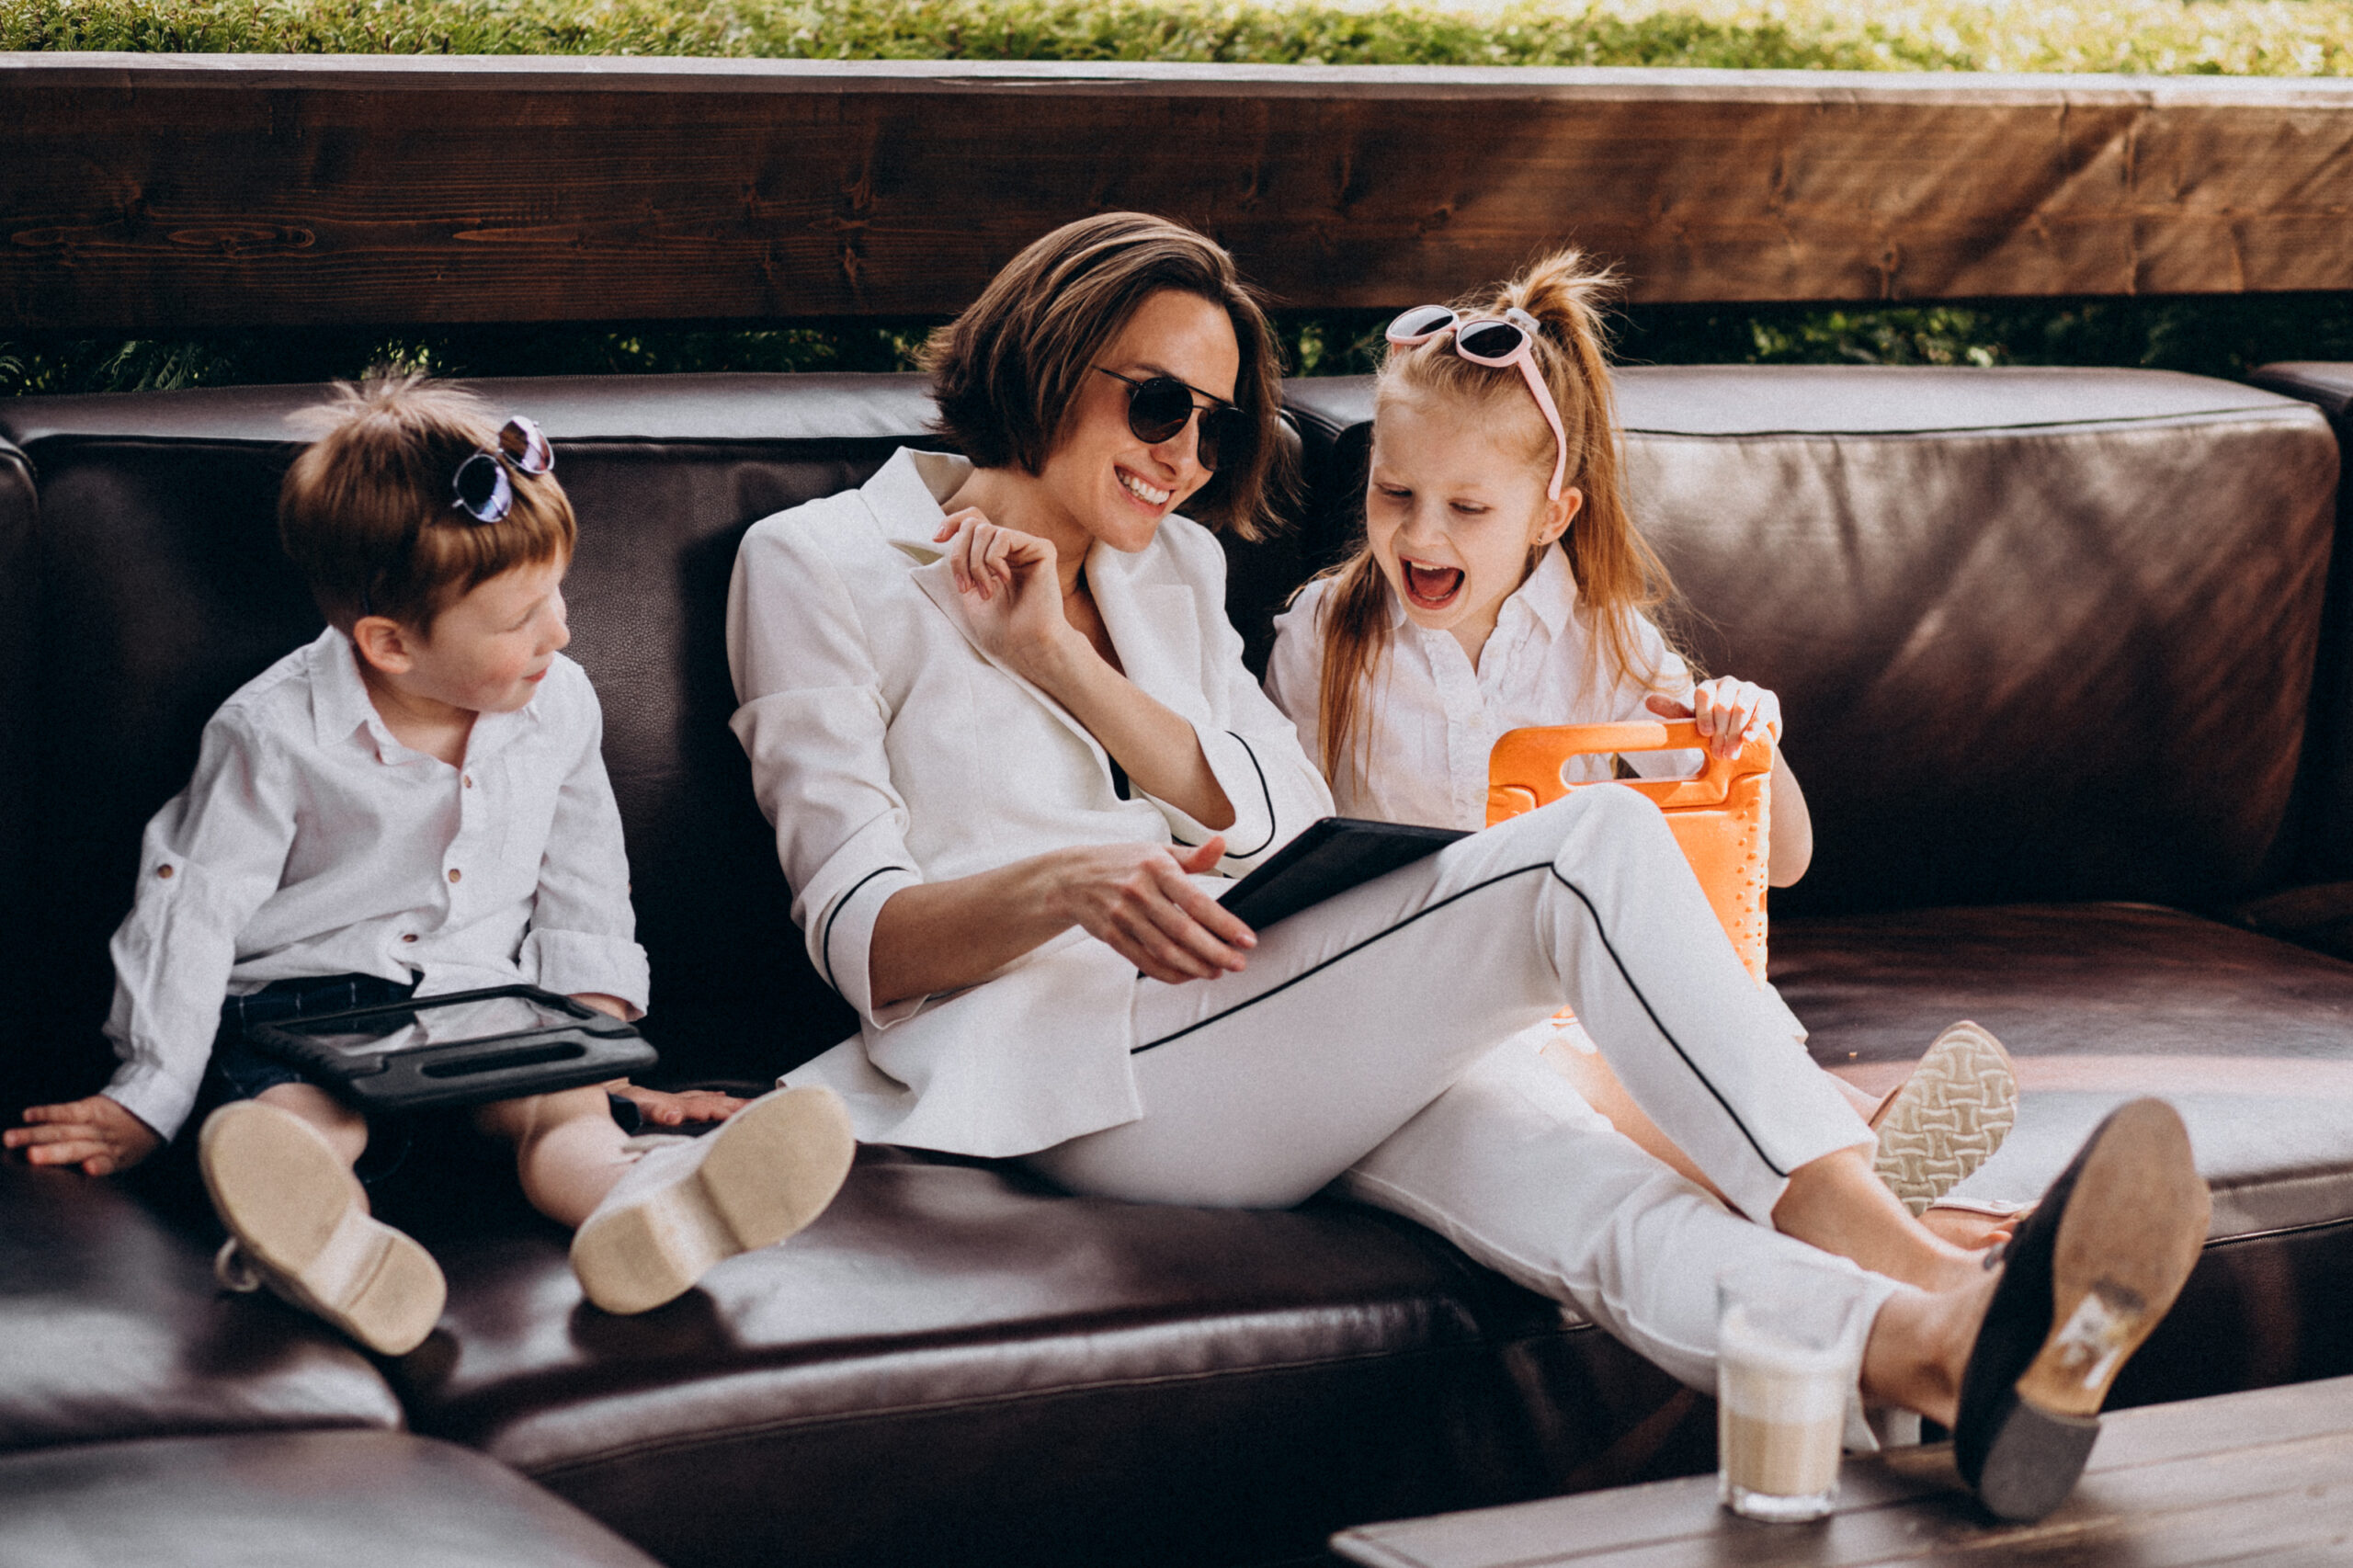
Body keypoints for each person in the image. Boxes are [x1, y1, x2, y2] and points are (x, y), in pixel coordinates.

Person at [726, 212, 2209, 1521]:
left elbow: (1282, 804)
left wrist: (1059, 657)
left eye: (1216, 429)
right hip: (1073, 1066)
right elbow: (861, 933)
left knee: (1581, 1194)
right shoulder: (820, 567)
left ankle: (1940, 1360)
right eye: (1160, 400)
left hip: (1260, 1021)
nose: (1183, 457)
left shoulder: (1163, 568)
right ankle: (1911, 1259)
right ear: (1049, 355)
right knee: (1586, 853)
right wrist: (1066, 888)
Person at [5, 376, 854, 1354]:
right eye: (517, 619)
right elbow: (189, 904)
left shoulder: (560, 701)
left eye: (557, 594)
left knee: (562, 1118)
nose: (560, 633)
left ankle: (646, 1202)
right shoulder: (274, 730)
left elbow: (585, 870)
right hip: (303, 1013)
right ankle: (326, 1244)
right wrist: (145, 1096)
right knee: (300, 1128)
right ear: (390, 643)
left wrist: (600, 1035)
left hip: (486, 1001)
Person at [1260, 250, 2019, 1238]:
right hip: (1421, 1003)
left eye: (1468, 507)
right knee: (1585, 1068)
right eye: (1393, 493)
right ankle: (1887, 1208)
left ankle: (1870, 1184)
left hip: (1591, 987)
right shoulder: (1328, 634)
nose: (1420, 535)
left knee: (1688, 1028)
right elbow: (1278, 846)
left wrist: (1746, 738)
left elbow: (1781, 859)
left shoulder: (1607, 642)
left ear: (1552, 514)